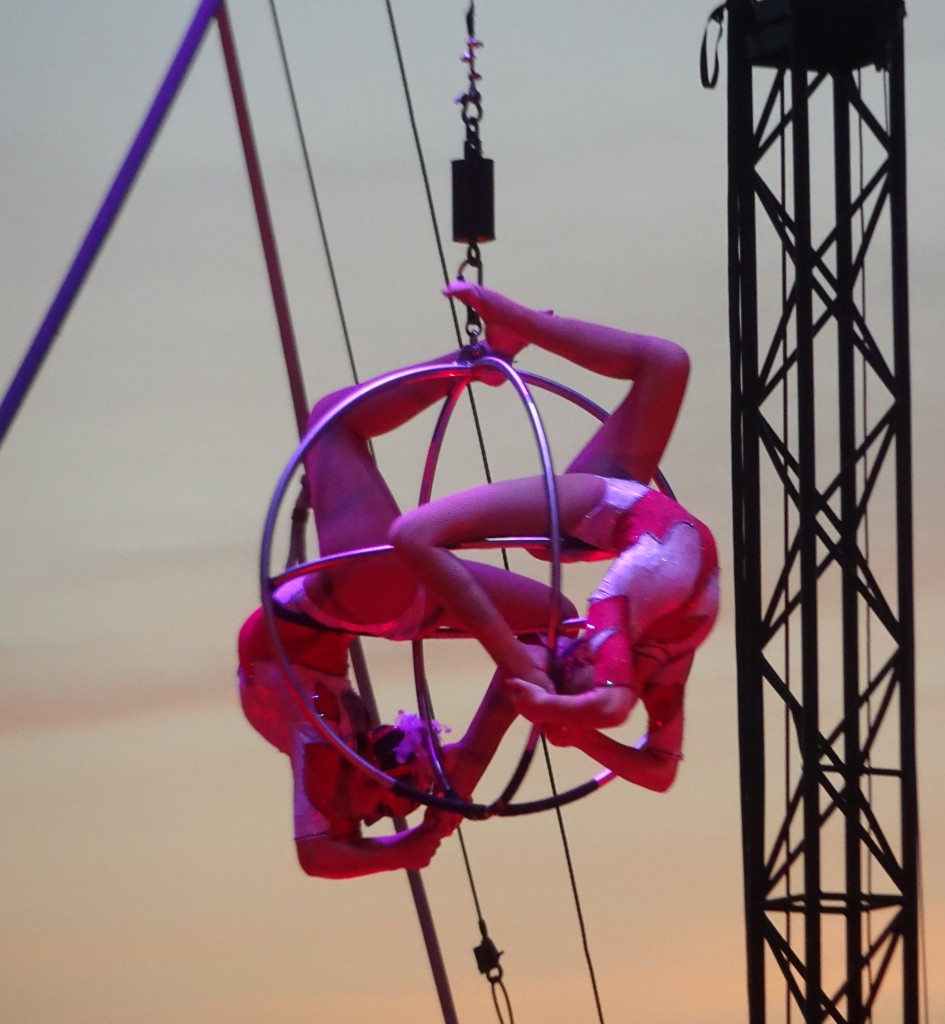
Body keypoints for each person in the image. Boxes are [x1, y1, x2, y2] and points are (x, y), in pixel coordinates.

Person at [239, 354, 577, 879]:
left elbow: (322, 851)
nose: (396, 735)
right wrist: (416, 840)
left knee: (554, 619)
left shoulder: (320, 746)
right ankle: (476, 358)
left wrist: (421, 837)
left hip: (373, 601)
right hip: (369, 593)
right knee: (332, 420)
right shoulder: (318, 740)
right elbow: (316, 857)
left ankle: (573, 679)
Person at [390, 281, 720, 794]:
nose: (577, 647)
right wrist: (536, 686)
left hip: (613, 516)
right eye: (579, 661)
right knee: (413, 534)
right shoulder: (629, 614)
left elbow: (657, 766)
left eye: (568, 656)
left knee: (414, 536)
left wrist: (573, 731)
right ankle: (517, 324)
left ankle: (512, 330)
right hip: (613, 511)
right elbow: (622, 721)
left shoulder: (657, 646)